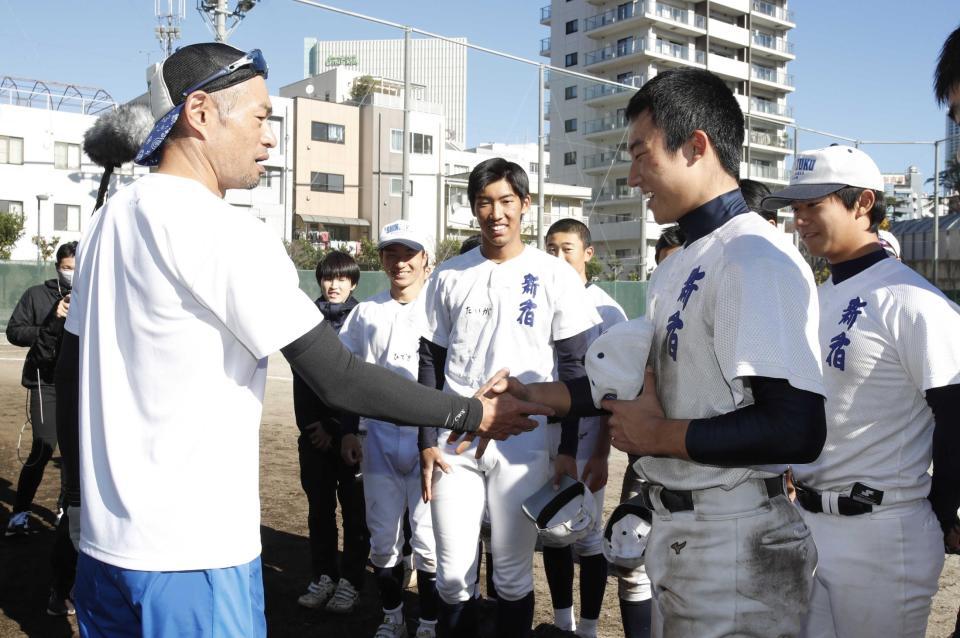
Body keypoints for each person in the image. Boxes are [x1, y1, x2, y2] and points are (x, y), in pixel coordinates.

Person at [60, 43, 548, 637]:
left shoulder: (108, 219)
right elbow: (337, 375)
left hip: (105, 550)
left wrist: (77, 503)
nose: (271, 139)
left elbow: (71, 364)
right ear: (201, 112)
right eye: (262, 117)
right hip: (191, 555)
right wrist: (474, 412)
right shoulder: (224, 231)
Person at [498, 68, 827, 637]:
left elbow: (797, 427)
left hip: (737, 538)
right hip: (690, 533)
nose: (632, 175)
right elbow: (645, 384)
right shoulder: (682, 262)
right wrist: (537, 397)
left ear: (695, 145)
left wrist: (658, 438)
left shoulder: (753, 257)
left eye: (641, 154)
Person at [762, 145, 960, 638]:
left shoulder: (913, 302)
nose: (800, 218)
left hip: (882, 530)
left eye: (814, 204)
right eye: (796, 207)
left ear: (863, 202)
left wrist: (938, 510)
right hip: (808, 518)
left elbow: (955, 415)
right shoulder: (820, 295)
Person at [417, 158, 602, 638]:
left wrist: (565, 450)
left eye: (505, 201)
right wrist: (425, 440)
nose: (495, 212)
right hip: (455, 441)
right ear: (473, 208)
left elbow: (576, 371)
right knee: (453, 575)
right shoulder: (450, 274)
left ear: (524, 204)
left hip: (524, 442)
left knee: (512, 574)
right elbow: (429, 364)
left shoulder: (554, 274)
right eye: (484, 202)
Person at [339, 220, 439, 638]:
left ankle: (430, 622)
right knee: (383, 541)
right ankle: (393, 615)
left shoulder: (438, 309)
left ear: (425, 259)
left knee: (431, 543)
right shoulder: (366, 312)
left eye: (408, 253)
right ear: (380, 259)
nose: (399, 263)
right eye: (391, 254)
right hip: (377, 437)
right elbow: (345, 376)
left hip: (427, 441)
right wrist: (347, 429)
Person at [543, 218, 633, 638]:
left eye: (566, 248)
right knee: (553, 533)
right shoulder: (540, 299)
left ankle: (590, 629)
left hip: (585, 443)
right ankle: (563, 622)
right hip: (541, 440)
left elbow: (614, 395)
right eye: (550, 249)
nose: (557, 257)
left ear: (587, 253)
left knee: (587, 538)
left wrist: (600, 452)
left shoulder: (607, 310)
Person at [5, 241, 79, 616]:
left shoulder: (90, 292)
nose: (71, 272)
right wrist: (52, 320)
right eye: (66, 266)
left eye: (76, 266)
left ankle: (67, 508)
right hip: (44, 379)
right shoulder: (38, 295)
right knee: (45, 443)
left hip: (80, 380)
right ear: (57, 266)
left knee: (77, 448)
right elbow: (15, 332)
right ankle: (19, 511)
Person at [293, 251, 368, 613]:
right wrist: (314, 430)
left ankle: (351, 581)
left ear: (353, 283)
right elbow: (301, 384)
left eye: (341, 279)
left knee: (356, 515)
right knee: (319, 511)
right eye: (327, 277)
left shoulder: (365, 319)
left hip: (352, 440)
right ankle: (324, 575)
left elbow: (362, 384)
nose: (333, 285)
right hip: (313, 438)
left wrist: (339, 431)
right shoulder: (304, 320)